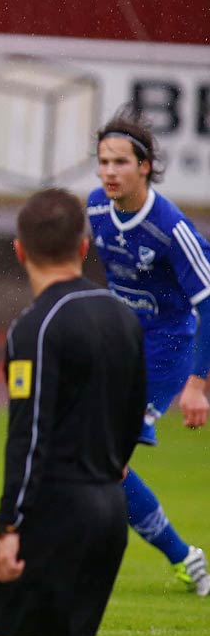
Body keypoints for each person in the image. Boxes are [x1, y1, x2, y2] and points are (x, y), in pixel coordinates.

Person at [0, 188, 208, 636]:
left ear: (19, 249)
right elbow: (133, 419)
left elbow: (26, 437)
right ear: (85, 247)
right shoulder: (122, 319)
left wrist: (9, 528)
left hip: (52, 509)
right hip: (108, 509)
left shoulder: (34, 327)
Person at [86, 109, 210, 596]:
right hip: (115, 347)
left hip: (164, 353)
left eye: (120, 162)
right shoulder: (96, 207)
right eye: (103, 162)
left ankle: (185, 558)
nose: (110, 172)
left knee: (106, 458)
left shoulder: (171, 228)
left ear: (145, 167)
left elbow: (208, 304)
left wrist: (198, 383)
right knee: (82, 449)